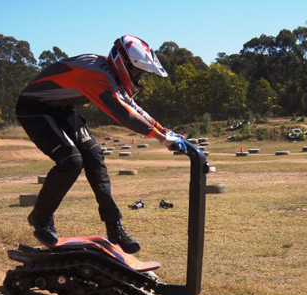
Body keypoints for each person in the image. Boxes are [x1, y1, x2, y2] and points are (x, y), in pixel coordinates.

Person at [15, 35, 186, 253]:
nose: (139, 78)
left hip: (61, 109)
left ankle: (114, 227)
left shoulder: (108, 73)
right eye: (138, 73)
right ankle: (41, 216)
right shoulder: (96, 75)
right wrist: (161, 138)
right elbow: (124, 115)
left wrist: (165, 131)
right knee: (71, 161)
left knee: (94, 157)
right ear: (124, 64)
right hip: (34, 107)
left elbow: (132, 107)